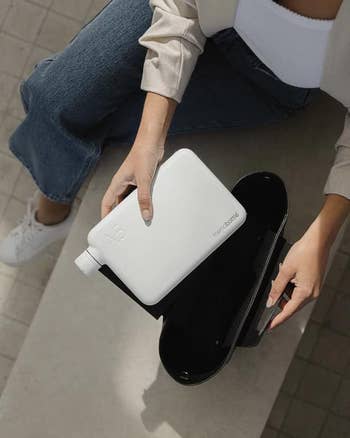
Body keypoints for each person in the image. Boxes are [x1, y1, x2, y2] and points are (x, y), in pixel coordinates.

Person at [0, 0, 349, 331]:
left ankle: (56, 193)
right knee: (54, 99)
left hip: (270, 82)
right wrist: (149, 138)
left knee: (92, 117)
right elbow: (181, 9)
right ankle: (52, 210)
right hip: (184, 9)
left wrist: (322, 235)